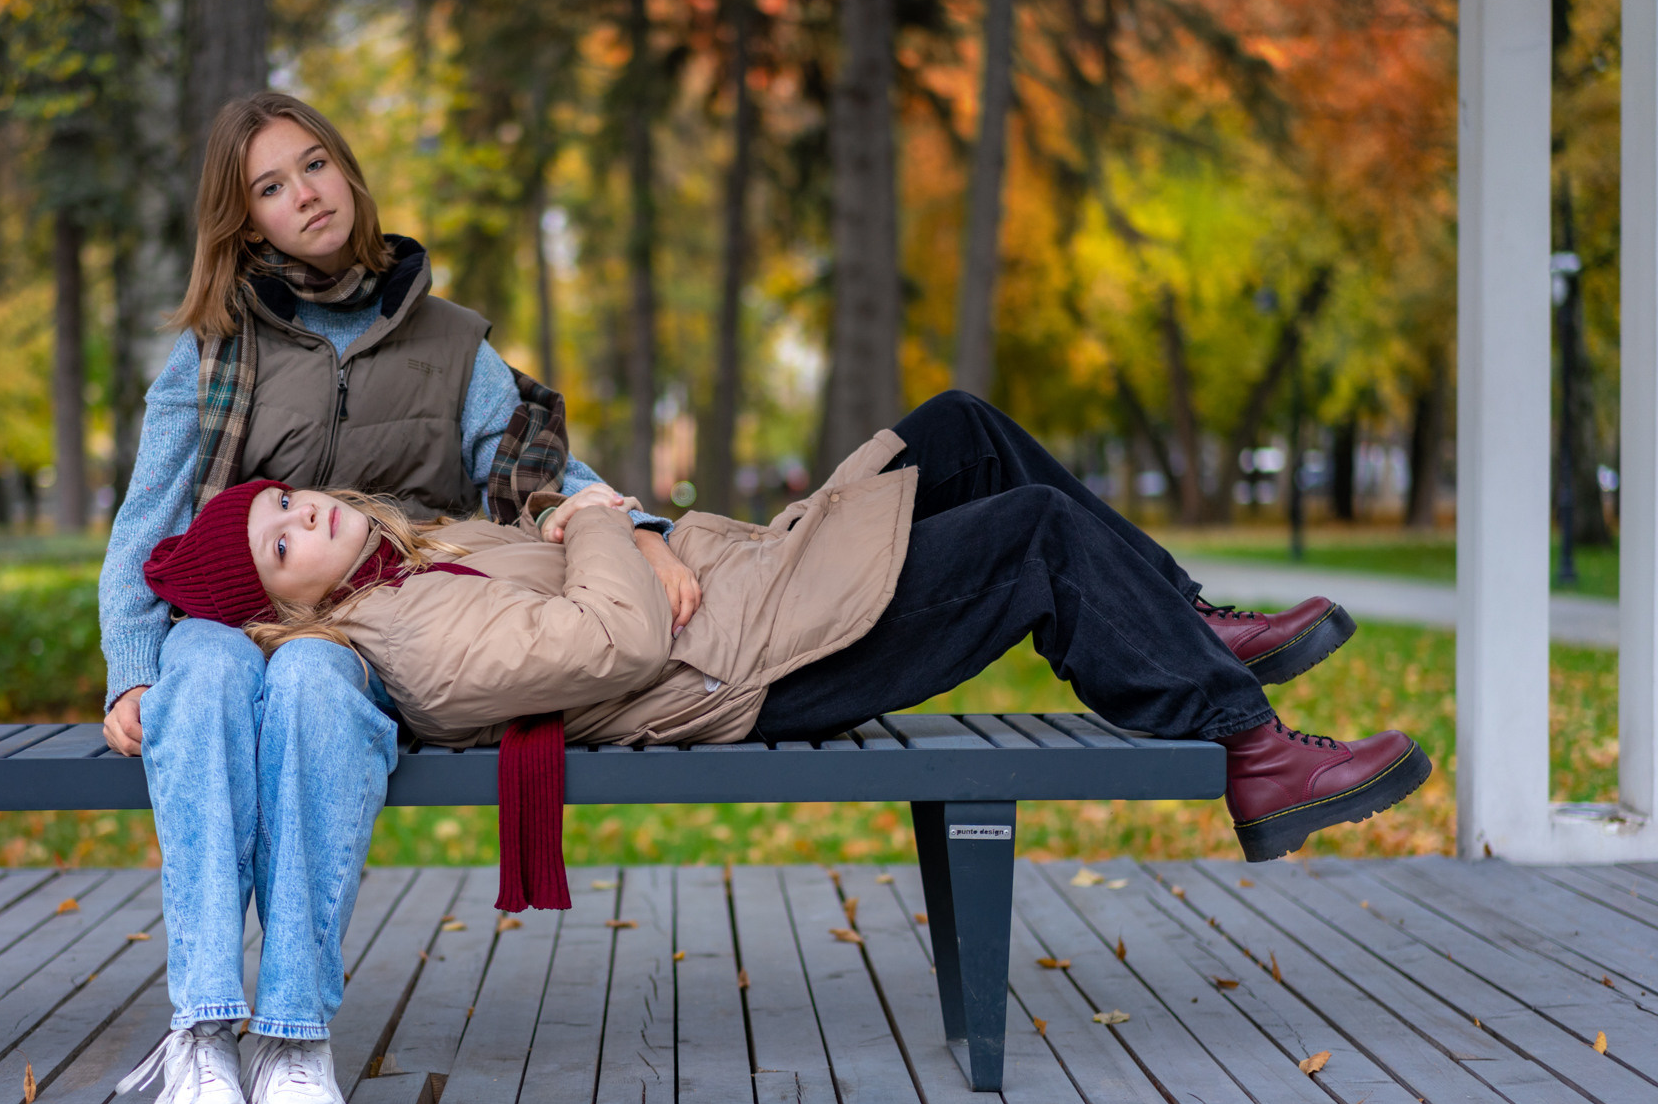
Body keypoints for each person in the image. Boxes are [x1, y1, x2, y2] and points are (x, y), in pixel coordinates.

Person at [144, 389, 1429, 892]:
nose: (300, 516)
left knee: (963, 427)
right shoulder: (410, 643)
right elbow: (614, 640)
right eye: (278, 544)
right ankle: (1248, 751)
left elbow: (572, 550)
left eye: (283, 503)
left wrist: (609, 525)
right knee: (1032, 534)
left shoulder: (412, 550)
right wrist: (600, 517)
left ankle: (1186, 620)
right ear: (281, 609)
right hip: (760, 666)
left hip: (755, 584)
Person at [98, 92, 698, 1104]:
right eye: (270, 187)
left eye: (313, 165)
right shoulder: (213, 351)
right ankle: (203, 1031)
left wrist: (638, 529)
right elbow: (146, 521)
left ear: (347, 171)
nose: (303, 195)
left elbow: (537, 471)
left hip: (373, 619)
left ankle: (293, 1040)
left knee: (312, 686)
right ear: (245, 221)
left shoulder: (446, 340)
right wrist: (132, 668)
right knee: (210, 678)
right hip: (231, 615)